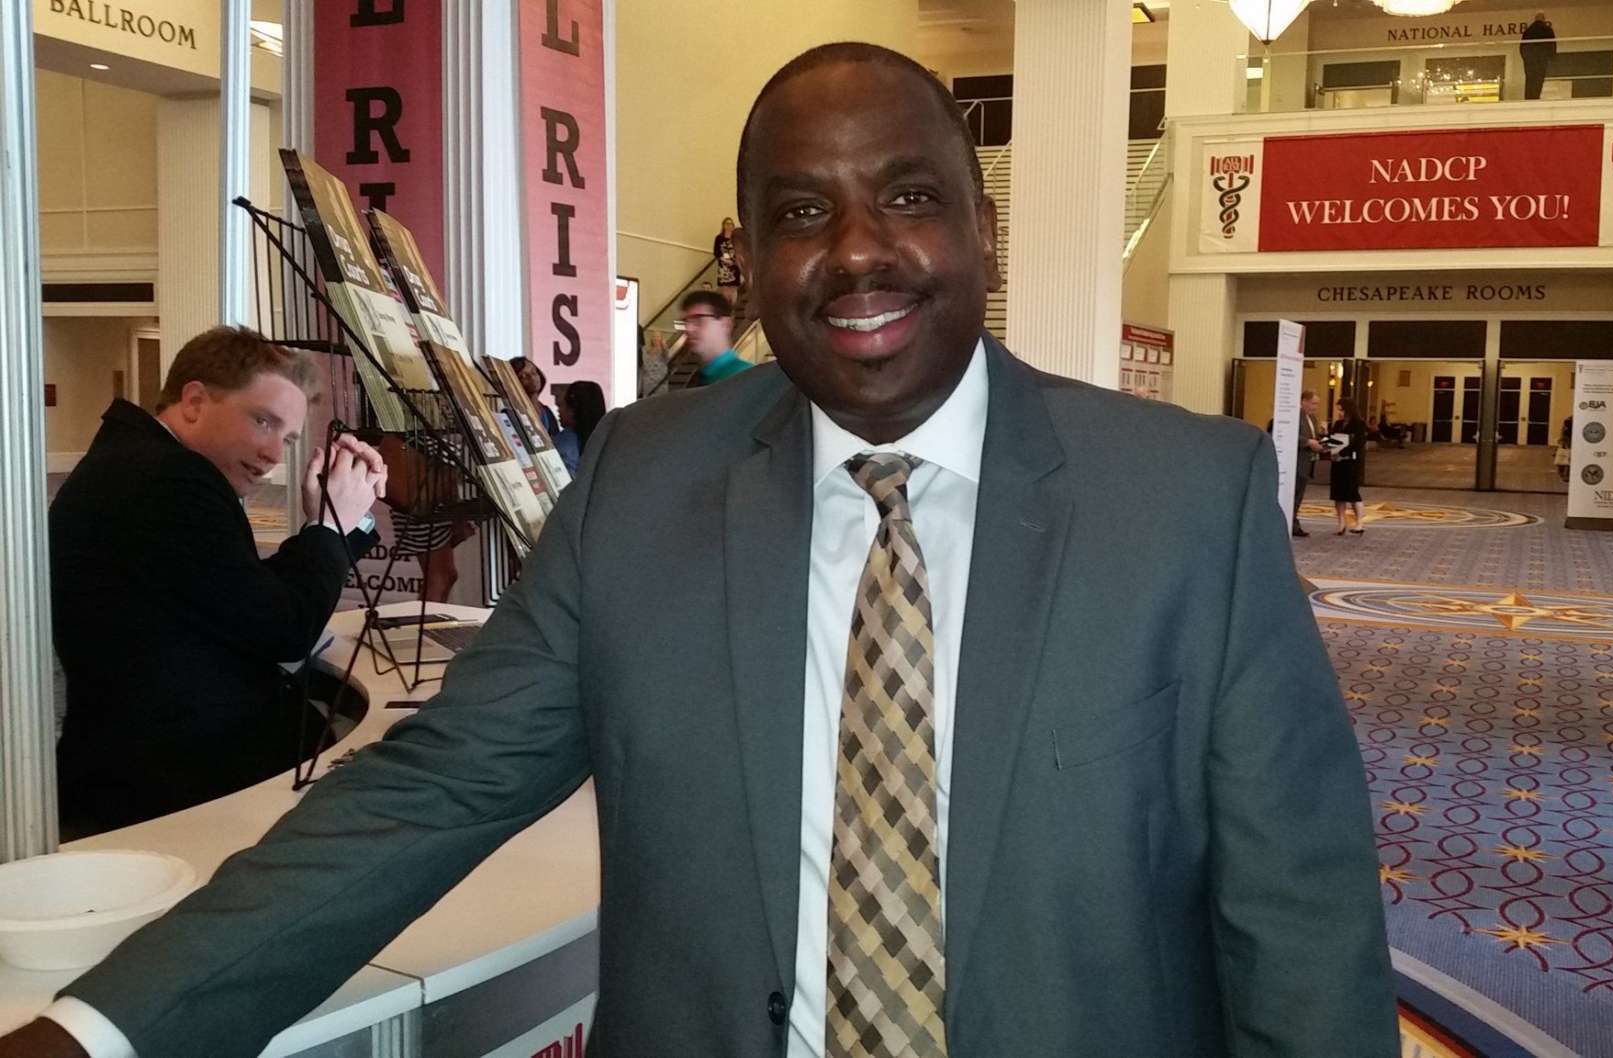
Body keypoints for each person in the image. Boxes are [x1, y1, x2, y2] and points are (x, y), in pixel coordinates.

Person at [2, 44, 1396, 1058]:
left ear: (980, 225)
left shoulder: (1185, 501)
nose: (856, 251)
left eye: (907, 196)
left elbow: (1298, 919)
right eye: (801, 213)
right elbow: (430, 790)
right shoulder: (643, 486)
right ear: (752, 261)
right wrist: (106, 1025)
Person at [47, 326, 385, 838]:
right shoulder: (168, 480)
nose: (274, 454)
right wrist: (329, 528)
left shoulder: (142, 462)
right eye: (263, 421)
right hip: (177, 786)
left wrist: (338, 523)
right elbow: (284, 628)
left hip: (163, 765)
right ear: (194, 401)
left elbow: (241, 594)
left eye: (287, 439)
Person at [1274, 390, 1326, 537]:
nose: (1315, 407)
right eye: (1313, 403)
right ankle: (1289, 524)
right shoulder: (1295, 416)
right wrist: (1308, 442)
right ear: (1304, 401)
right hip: (1295, 462)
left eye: (1317, 404)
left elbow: (1314, 437)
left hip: (1307, 462)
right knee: (1292, 495)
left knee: (1298, 496)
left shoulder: (1312, 419)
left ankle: (1293, 523)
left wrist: (1322, 439)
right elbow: (1289, 435)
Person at [679, 289, 754, 386]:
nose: (688, 328)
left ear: (725, 324)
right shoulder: (698, 379)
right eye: (685, 321)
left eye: (698, 319)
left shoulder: (745, 377)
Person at [1328, 396, 1366, 536]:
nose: (1339, 413)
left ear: (1349, 410)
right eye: (1338, 410)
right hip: (1338, 463)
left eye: (1341, 410)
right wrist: (1328, 444)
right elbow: (1332, 439)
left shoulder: (1359, 424)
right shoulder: (1338, 424)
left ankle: (1359, 523)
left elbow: (1358, 444)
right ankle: (1341, 524)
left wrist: (1342, 452)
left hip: (1351, 462)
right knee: (1338, 494)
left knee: (1353, 493)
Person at [551, 379, 608, 474]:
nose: (558, 410)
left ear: (572, 410)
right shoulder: (609, 442)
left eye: (561, 405)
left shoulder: (562, 444)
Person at [507, 355, 559, 436]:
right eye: (523, 376)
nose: (532, 377)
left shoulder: (546, 412)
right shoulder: (512, 413)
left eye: (533, 372)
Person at [1520, 12, 1557, 100]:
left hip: (1530, 60)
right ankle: (1536, 97)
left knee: (1530, 79)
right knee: (1539, 79)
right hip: (1542, 59)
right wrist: (1551, 57)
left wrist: (1526, 58)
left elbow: (1522, 47)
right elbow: (1552, 45)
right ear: (1543, 19)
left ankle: (1529, 97)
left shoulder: (1528, 31)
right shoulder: (1547, 30)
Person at [713, 216, 744, 307]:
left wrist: (734, 261)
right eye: (727, 224)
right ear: (723, 225)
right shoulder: (719, 238)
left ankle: (733, 308)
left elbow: (740, 251)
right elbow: (716, 252)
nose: (729, 226)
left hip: (734, 266)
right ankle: (726, 307)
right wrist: (724, 259)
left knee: (734, 289)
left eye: (731, 224)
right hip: (724, 268)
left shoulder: (736, 239)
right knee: (725, 289)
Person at [1555, 414, 1573, 482]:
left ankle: (1564, 474)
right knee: (1567, 460)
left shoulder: (1568, 421)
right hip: (1569, 443)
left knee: (1564, 459)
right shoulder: (1570, 421)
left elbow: (1563, 433)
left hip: (1567, 443)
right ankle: (1565, 475)